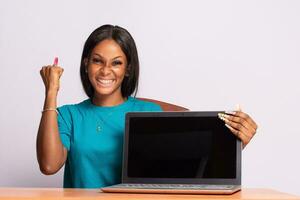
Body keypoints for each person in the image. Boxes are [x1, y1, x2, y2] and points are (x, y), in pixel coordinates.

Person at [37, 24, 258, 188]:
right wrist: (51, 92)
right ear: (86, 64)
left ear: (128, 69)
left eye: (116, 63)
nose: (106, 70)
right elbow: (49, 165)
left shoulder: (147, 114)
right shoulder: (69, 116)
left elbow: (192, 167)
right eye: (97, 60)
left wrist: (236, 142)